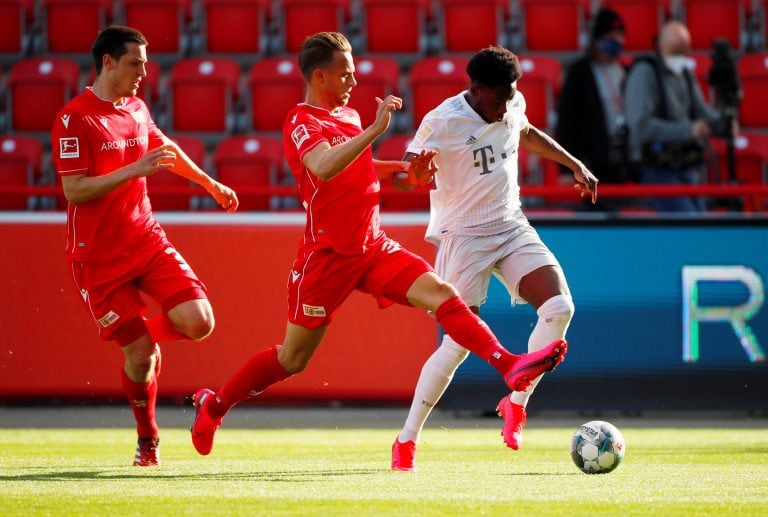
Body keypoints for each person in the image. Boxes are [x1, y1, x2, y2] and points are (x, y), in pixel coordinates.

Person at [189, 32, 568, 458]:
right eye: (345, 74)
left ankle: (509, 365)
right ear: (319, 76)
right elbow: (324, 166)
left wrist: (409, 174)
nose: (353, 82)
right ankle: (215, 404)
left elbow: (361, 170)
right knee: (293, 359)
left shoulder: (348, 116)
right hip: (326, 256)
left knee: (443, 295)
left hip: (372, 247)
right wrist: (374, 130)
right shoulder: (301, 120)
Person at [391, 46, 599, 471]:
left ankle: (515, 404)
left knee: (560, 308)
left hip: (509, 225)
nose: (509, 101)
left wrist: (574, 162)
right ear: (477, 89)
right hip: (462, 235)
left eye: (513, 92)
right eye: (501, 95)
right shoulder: (443, 120)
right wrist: (414, 176)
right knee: (456, 346)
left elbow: (524, 131)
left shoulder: (512, 101)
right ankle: (406, 439)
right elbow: (403, 173)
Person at [51, 26, 239, 467]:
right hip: (97, 257)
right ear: (109, 62)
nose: (144, 72)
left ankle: (130, 335)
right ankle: (148, 437)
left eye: (146, 63)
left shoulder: (135, 107)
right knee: (141, 360)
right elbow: (75, 190)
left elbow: (164, 147)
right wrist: (134, 169)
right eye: (135, 62)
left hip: (146, 238)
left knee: (199, 321)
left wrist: (210, 183)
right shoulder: (74, 118)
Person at [623, 20, 719, 212]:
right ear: (661, 46)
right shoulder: (644, 72)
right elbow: (640, 126)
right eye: (676, 52)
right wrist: (688, 130)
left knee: (704, 224)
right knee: (688, 223)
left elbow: (702, 111)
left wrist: (722, 121)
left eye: (684, 52)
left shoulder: (684, 73)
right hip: (655, 168)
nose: (680, 58)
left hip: (684, 165)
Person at [556, 7, 629, 210]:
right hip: (591, 160)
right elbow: (566, 121)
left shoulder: (627, 71)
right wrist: (565, 167)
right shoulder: (579, 73)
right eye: (610, 35)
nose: (617, 40)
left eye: (620, 35)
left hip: (622, 159)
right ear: (597, 39)